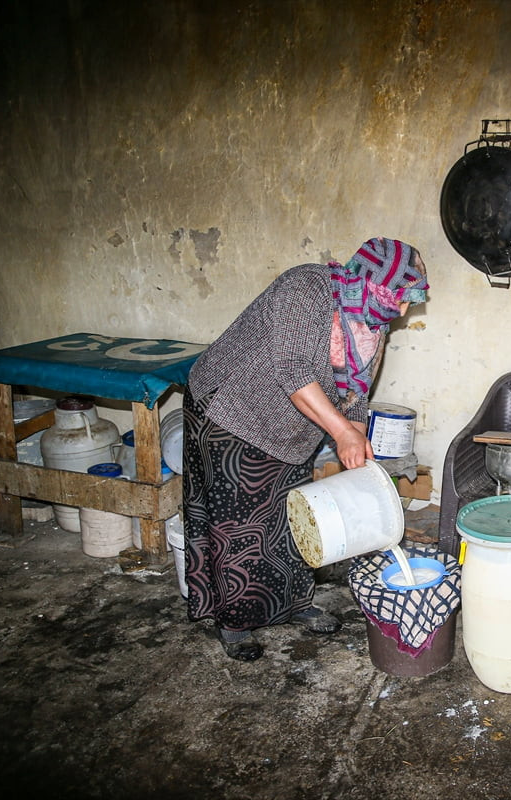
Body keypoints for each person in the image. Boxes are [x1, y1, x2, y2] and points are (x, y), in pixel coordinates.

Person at [182, 238, 428, 661]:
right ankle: (235, 620)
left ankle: (294, 603)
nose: (403, 310)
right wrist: (342, 433)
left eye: (411, 300)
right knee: (239, 522)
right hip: (232, 410)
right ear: (372, 281)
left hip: (295, 427)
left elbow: (357, 393)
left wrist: (354, 441)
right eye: (398, 297)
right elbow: (293, 369)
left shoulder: (373, 322)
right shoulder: (305, 289)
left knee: (299, 514)